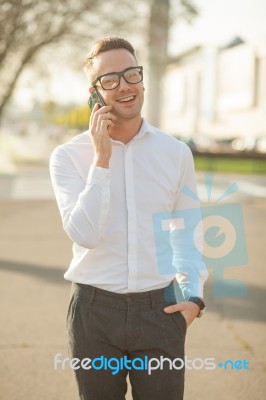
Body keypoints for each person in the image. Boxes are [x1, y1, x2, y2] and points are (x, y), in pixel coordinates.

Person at [50, 36, 208, 400]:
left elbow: (188, 234)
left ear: (142, 78)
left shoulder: (176, 153)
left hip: (160, 312)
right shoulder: (67, 157)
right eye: (110, 79)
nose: (124, 85)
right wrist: (101, 160)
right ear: (95, 94)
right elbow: (84, 234)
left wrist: (193, 300)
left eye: (131, 73)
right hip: (94, 315)